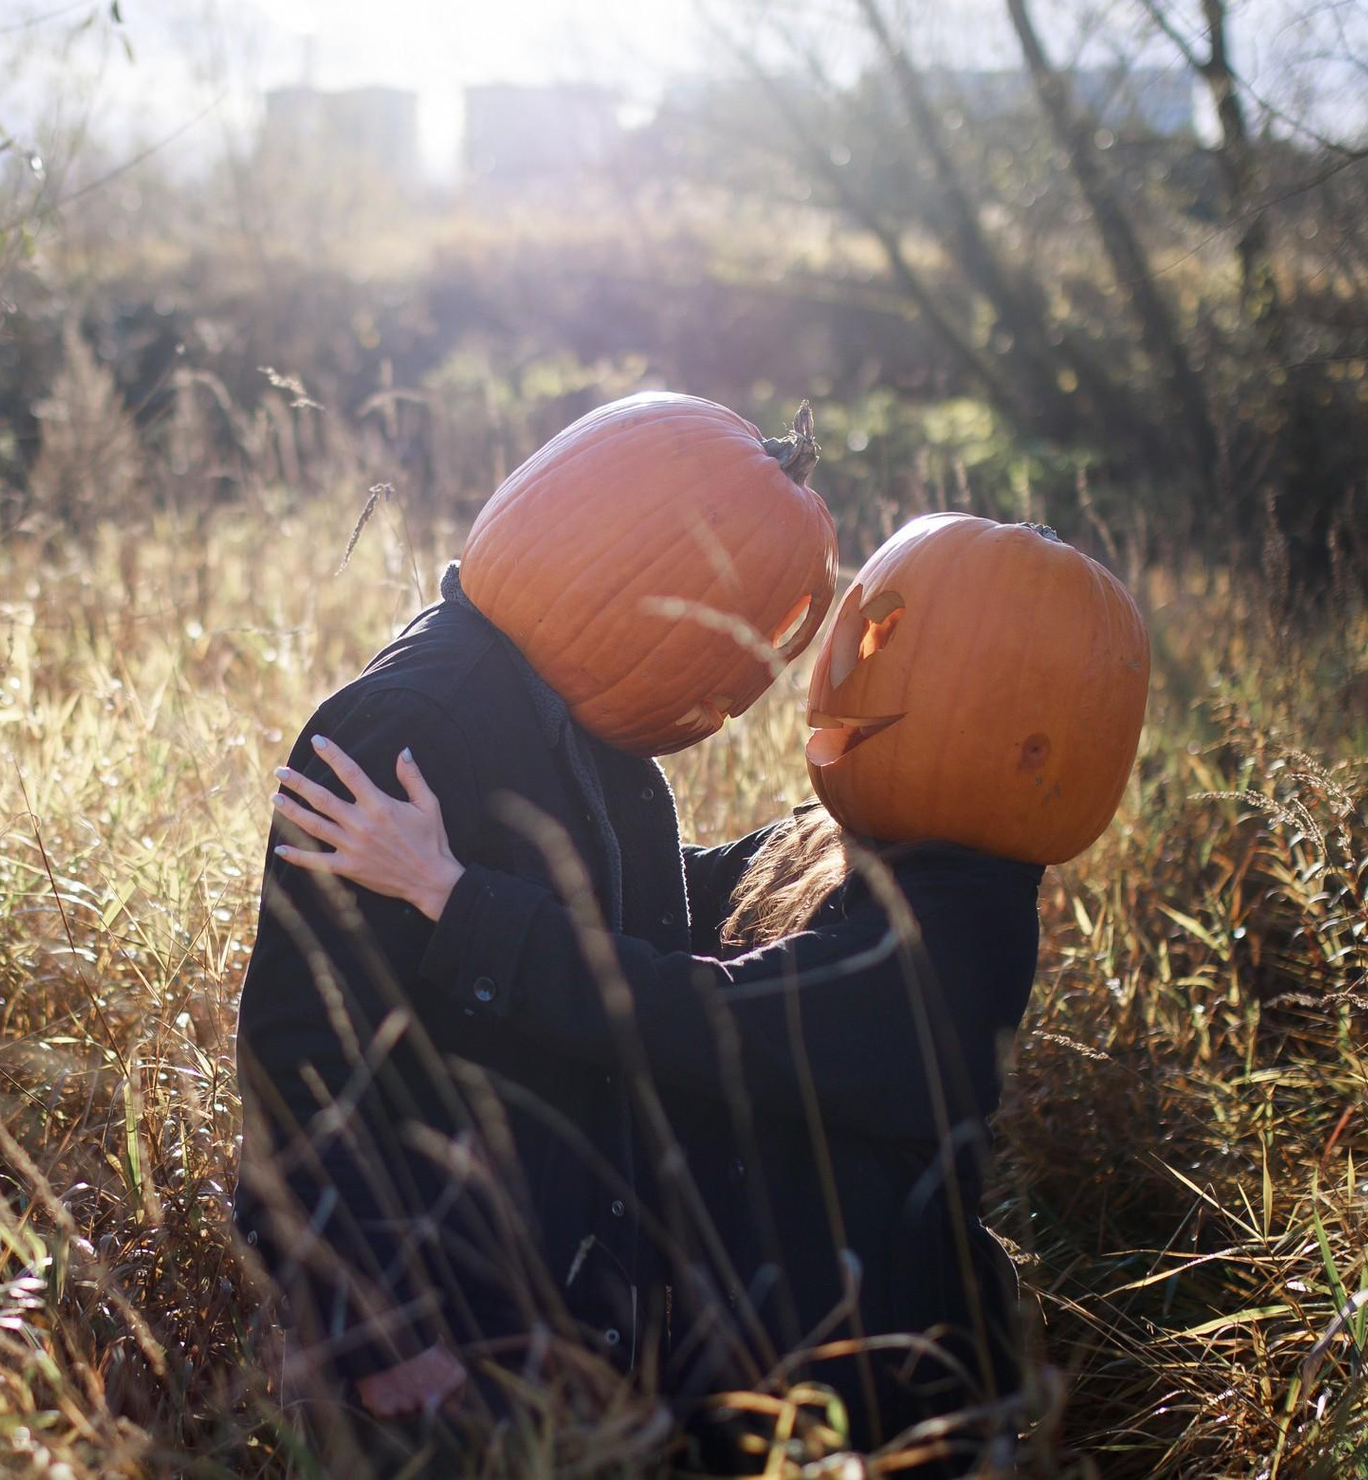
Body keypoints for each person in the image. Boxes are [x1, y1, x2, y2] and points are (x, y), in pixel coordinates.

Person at [273, 513, 1150, 1470]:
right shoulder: (842, 841)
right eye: (868, 625)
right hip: (747, 1375)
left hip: (870, 1401)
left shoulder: (956, 944)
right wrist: (488, 827)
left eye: (910, 647)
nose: (851, 671)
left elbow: (700, 1014)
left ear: (1033, 747)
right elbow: (650, 891)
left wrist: (451, 894)